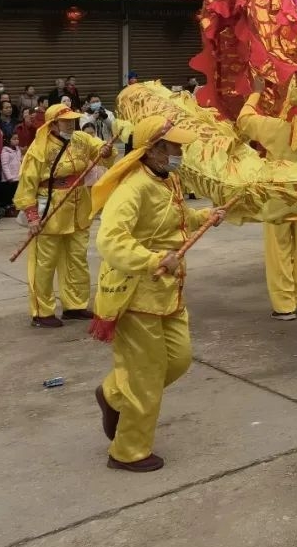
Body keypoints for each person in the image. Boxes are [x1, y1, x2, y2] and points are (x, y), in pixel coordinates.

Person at [89, 116, 226, 473]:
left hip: (169, 289)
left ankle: (113, 394)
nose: (180, 152)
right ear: (152, 150)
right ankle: (128, 451)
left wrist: (207, 215)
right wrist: (151, 260)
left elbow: (177, 219)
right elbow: (110, 240)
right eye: (174, 146)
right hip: (135, 293)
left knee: (178, 360)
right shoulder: (132, 188)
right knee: (146, 375)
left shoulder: (170, 179)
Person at [15, 105, 114, 327]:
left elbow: (101, 151)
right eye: (65, 122)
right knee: (44, 262)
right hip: (50, 208)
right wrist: (32, 216)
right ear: (53, 124)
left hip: (79, 207)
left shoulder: (81, 138)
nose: (70, 124)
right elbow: (27, 182)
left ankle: (75, 305)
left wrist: (106, 150)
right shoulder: (39, 148)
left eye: (72, 121)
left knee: (77, 258)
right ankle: (42, 311)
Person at [237, 81, 297, 321]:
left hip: (277, 197)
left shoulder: (273, 127)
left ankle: (284, 305)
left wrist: (256, 92)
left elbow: (243, 120)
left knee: (279, 251)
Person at [0, 131, 22, 215]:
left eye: (17, 139)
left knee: (15, 196)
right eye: (14, 139)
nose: (17, 140)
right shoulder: (5, 152)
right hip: (9, 180)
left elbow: (19, 162)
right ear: (9, 140)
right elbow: (4, 166)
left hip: (17, 177)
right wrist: (9, 177)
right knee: (9, 196)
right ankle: (8, 211)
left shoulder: (18, 150)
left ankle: (15, 210)